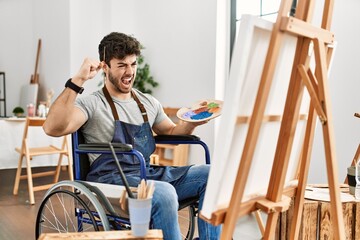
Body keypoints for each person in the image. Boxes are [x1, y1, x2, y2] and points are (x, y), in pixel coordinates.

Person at [43, 32, 221, 240]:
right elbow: (51, 128)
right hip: (109, 181)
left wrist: (190, 123)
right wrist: (78, 79)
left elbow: (172, 131)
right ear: (105, 67)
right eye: (121, 65)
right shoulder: (92, 104)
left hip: (147, 174)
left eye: (133, 64)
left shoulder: (148, 103)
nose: (130, 72)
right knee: (163, 193)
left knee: (214, 175)